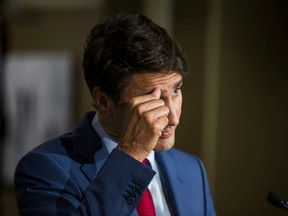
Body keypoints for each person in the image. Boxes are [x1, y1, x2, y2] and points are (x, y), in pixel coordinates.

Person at [14, 12, 216, 215]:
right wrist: (132, 153)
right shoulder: (43, 170)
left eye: (176, 90)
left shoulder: (192, 169)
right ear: (103, 100)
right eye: (152, 99)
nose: (173, 117)